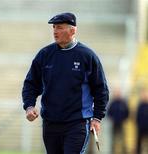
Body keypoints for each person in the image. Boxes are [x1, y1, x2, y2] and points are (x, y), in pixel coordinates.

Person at [22, 12, 109, 154]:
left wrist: (97, 118)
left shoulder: (87, 56)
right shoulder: (44, 55)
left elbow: (101, 90)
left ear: (73, 30)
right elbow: (30, 84)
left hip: (77, 123)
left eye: (60, 27)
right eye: (54, 27)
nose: (55, 31)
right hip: (50, 123)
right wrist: (29, 106)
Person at [107, 88, 129, 154]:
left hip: (121, 123)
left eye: (118, 92)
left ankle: (123, 151)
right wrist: (112, 119)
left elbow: (127, 112)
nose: (117, 94)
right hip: (114, 123)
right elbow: (109, 113)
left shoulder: (123, 103)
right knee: (113, 138)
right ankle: (113, 151)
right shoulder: (113, 103)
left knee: (122, 139)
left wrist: (124, 119)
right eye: (116, 93)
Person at [136, 88, 148, 154]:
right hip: (141, 128)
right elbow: (137, 117)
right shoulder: (140, 105)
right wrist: (139, 125)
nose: (145, 96)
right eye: (144, 95)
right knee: (139, 143)